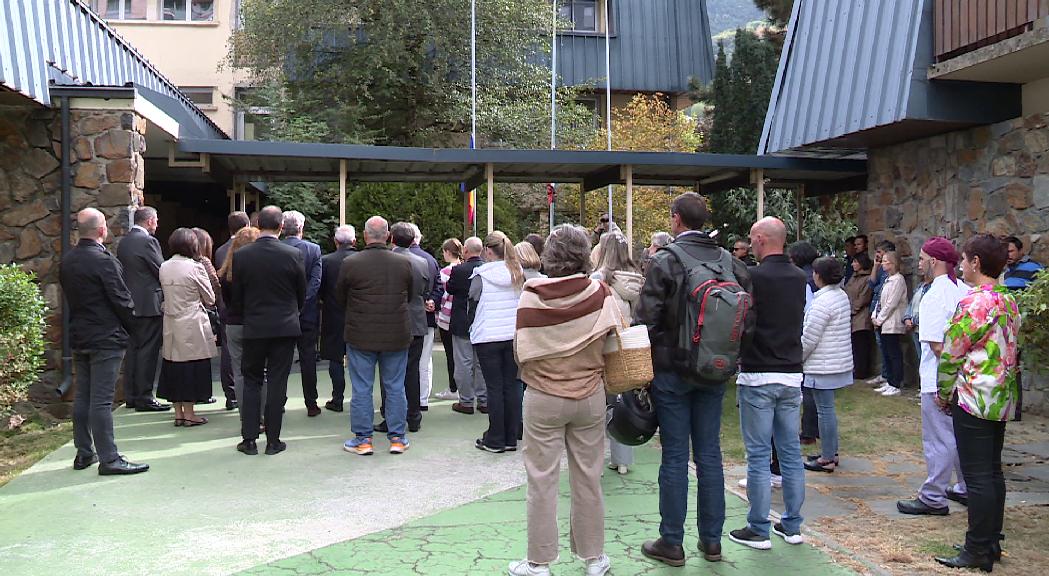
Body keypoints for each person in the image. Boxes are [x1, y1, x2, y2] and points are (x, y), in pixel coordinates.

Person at [638, 193, 751, 566]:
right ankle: (712, 540)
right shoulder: (731, 263)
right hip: (714, 369)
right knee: (709, 455)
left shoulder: (665, 261)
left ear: (675, 220)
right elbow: (746, 318)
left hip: (672, 371)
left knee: (674, 455)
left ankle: (671, 541)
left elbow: (647, 320)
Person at [508, 224, 620, 576]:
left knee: (541, 480)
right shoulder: (600, 293)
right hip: (589, 394)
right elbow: (615, 346)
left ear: (549, 256)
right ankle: (594, 559)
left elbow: (519, 351)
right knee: (589, 477)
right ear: (584, 254)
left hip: (542, 396)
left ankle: (538, 563)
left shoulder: (531, 294)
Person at [934, 234, 1021, 572]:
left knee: (977, 476)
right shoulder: (1008, 300)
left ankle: (977, 549)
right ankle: (990, 541)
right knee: (992, 472)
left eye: (965, 259)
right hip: (1000, 397)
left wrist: (943, 393)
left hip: (973, 397)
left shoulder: (974, 303)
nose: (960, 265)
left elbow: (952, 352)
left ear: (976, 263)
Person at [729, 216, 806, 551]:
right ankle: (791, 525)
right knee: (790, 453)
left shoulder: (752, 277)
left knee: (758, 454)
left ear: (760, 240)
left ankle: (758, 527)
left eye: (751, 239)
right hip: (791, 372)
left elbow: (741, 319)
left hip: (759, 370)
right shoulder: (800, 277)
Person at [60, 208, 149, 475]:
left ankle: (84, 452)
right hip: (106, 337)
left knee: (83, 397)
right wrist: (134, 327)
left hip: (80, 334)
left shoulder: (68, 260)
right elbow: (121, 299)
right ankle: (109, 458)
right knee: (101, 400)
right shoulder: (104, 261)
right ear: (101, 230)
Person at [897, 238, 969, 517]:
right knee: (961, 436)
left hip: (939, 377)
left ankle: (933, 496)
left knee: (939, 439)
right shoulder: (961, 289)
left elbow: (938, 346)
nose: (919, 263)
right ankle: (965, 486)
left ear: (935, 262)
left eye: (922, 258)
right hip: (963, 377)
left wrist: (945, 383)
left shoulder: (934, 295)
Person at [231, 206, 306, 456]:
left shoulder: (242, 256)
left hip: (254, 326)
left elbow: (238, 295)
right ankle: (273, 440)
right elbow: (301, 293)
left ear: (257, 224)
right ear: (281, 227)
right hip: (284, 326)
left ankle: (249, 439)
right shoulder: (293, 254)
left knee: (252, 380)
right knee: (277, 382)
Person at [337, 216, 414, 456]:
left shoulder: (351, 263)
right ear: (388, 236)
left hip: (361, 334)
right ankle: (398, 438)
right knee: (395, 386)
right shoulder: (403, 263)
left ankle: (363, 440)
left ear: (364, 236)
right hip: (396, 333)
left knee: (362, 388)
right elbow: (410, 295)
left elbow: (340, 297)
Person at [590, 231, 644, 475]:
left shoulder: (600, 279)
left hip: (604, 343)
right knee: (625, 402)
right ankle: (623, 459)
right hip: (630, 345)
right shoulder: (637, 279)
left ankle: (595, 460)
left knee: (598, 404)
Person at [471, 231, 526, 453]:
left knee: (494, 387)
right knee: (512, 385)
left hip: (488, 336)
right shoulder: (518, 273)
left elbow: (472, 304)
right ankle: (511, 437)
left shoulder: (481, 275)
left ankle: (495, 438)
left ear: (488, 251)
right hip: (512, 336)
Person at [156, 228, 217, 427]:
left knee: (173, 365)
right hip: (191, 322)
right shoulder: (195, 267)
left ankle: (179, 413)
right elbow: (210, 297)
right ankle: (190, 414)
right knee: (191, 367)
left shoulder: (164, 266)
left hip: (171, 321)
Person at [801, 257, 853, 473]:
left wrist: (798, 357)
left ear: (819, 275)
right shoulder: (840, 295)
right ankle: (831, 451)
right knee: (827, 409)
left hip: (824, 362)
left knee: (825, 410)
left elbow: (810, 337)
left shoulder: (822, 301)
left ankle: (828, 457)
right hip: (835, 360)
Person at [116, 206, 170, 412]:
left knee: (133, 350)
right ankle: (145, 396)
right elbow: (160, 270)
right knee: (148, 351)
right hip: (148, 304)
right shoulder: (148, 241)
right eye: (156, 220)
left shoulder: (125, 242)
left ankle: (131, 395)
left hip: (131, 304)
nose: (157, 224)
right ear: (149, 221)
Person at [383, 222, 432, 433]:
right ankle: (414, 416)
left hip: (393, 321)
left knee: (390, 372)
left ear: (391, 238)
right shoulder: (422, 263)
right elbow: (425, 290)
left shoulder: (386, 261)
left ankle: (391, 417)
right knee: (412, 372)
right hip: (416, 320)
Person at [218, 226, 262, 424]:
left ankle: (247, 418)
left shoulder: (226, 272)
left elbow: (226, 302)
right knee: (262, 372)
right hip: (257, 323)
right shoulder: (260, 271)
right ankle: (261, 415)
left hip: (234, 324)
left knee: (240, 374)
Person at [281, 210, 323, 417]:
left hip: (280, 314)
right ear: (301, 228)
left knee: (280, 361)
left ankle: (278, 402)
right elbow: (315, 282)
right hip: (306, 313)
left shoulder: (275, 248)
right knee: (308, 359)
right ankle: (311, 403)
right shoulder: (313, 250)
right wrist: (301, 303)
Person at [1002, 235, 1042, 421]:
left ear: (1020, 251)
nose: (1007, 255)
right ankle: (1014, 410)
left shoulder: (1034, 268)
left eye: (1010, 251)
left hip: (1028, 326)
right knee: (1012, 366)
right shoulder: (1007, 273)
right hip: (1012, 326)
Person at [447, 237, 487, 415]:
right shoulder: (487, 270)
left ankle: (466, 401)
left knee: (463, 362)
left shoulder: (459, 270)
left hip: (462, 322)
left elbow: (450, 288)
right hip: (483, 322)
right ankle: (484, 400)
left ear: (466, 251)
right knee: (482, 363)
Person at [214, 211, 249, 411]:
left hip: (228, 309)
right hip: (249, 312)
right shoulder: (252, 248)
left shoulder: (220, 251)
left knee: (229, 353)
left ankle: (231, 394)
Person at [319, 225, 356, 412]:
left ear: (336, 241)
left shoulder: (326, 261)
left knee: (335, 359)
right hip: (359, 316)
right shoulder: (361, 260)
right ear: (355, 241)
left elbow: (320, 288)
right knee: (360, 358)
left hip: (332, 314)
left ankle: (337, 398)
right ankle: (359, 400)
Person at [788, 240, 820, 445]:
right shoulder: (812, 276)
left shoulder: (804, 279)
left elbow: (807, 309)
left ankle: (809, 431)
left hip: (809, 334)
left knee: (808, 386)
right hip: (818, 334)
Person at [408, 223, 441, 412]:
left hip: (403, 317)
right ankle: (422, 399)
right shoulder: (430, 260)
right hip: (425, 316)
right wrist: (432, 301)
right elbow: (439, 287)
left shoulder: (396, 257)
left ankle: (405, 398)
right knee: (424, 360)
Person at [872, 251, 909, 397]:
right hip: (884, 322)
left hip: (892, 322)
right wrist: (875, 315)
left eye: (885, 261)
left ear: (892, 263)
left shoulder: (898, 280)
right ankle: (889, 380)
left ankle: (896, 383)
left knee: (894, 353)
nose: (882, 263)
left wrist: (879, 319)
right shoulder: (887, 279)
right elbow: (880, 299)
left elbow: (891, 303)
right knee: (886, 353)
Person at [434, 238, 463, 402]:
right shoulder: (465, 269)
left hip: (446, 318)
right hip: (462, 317)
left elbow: (442, 295)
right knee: (464, 355)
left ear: (447, 252)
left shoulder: (445, 273)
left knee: (451, 355)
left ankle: (454, 387)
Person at [865, 239, 896, 387]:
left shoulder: (892, 275)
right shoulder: (880, 269)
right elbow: (871, 284)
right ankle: (885, 374)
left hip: (884, 314)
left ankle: (889, 376)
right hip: (875, 309)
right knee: (880, 345)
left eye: (879, 252)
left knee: (888, 348)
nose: (877, 255)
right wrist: (875, 266)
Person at [844, 253, 875, 379]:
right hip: (853, 315)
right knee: (855, 345)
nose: (853, 264)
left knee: (861, 345)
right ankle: (857, 369)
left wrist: (852, 309)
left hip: (861, 317)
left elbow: (864, 297)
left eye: (855, 262)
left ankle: (862, 371)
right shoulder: (853, 277)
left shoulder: (867, 279)